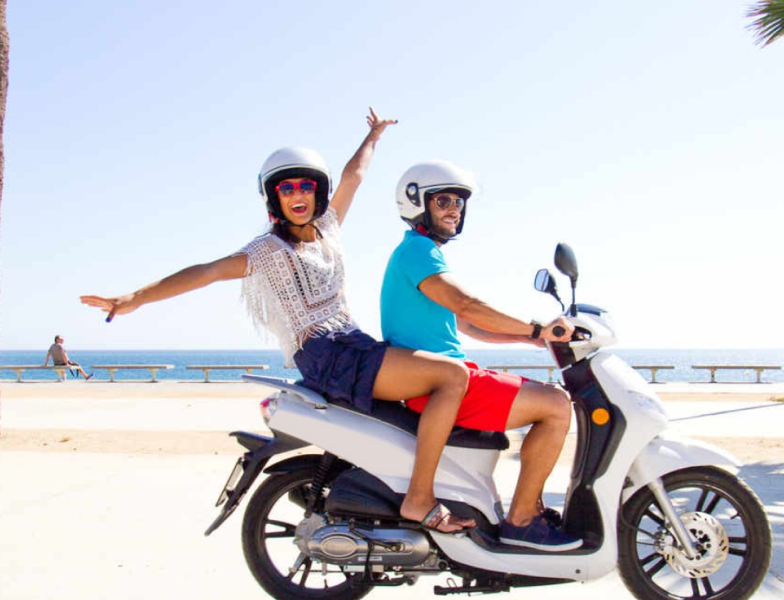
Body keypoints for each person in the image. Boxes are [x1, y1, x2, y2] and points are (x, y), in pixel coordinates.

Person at [81, 109, 474, 533]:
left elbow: (354, 176)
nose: (297, 194)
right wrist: (136, 297)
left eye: (307, 185)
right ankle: (419, 499)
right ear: (275, 198)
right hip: (326, 355)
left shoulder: (328, 228)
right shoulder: (267, 252)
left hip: (355, 345)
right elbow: (206, 271)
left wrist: (373, 136)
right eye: (287, 188)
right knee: (451, 377)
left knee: (422, 401)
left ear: (318, 192)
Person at [380, 160, 583, 551]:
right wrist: (536, 327)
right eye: (442, 201)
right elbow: (467, 305)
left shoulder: (418, 253)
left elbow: (467, 324)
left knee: (552, 399)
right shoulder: (418, 251)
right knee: (557, 406)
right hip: (439, 383)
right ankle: (522, 519)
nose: (453, 209)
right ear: (417, 203)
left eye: (458, 202)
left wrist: (529, 338)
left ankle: (530, 510)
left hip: (442, 375)